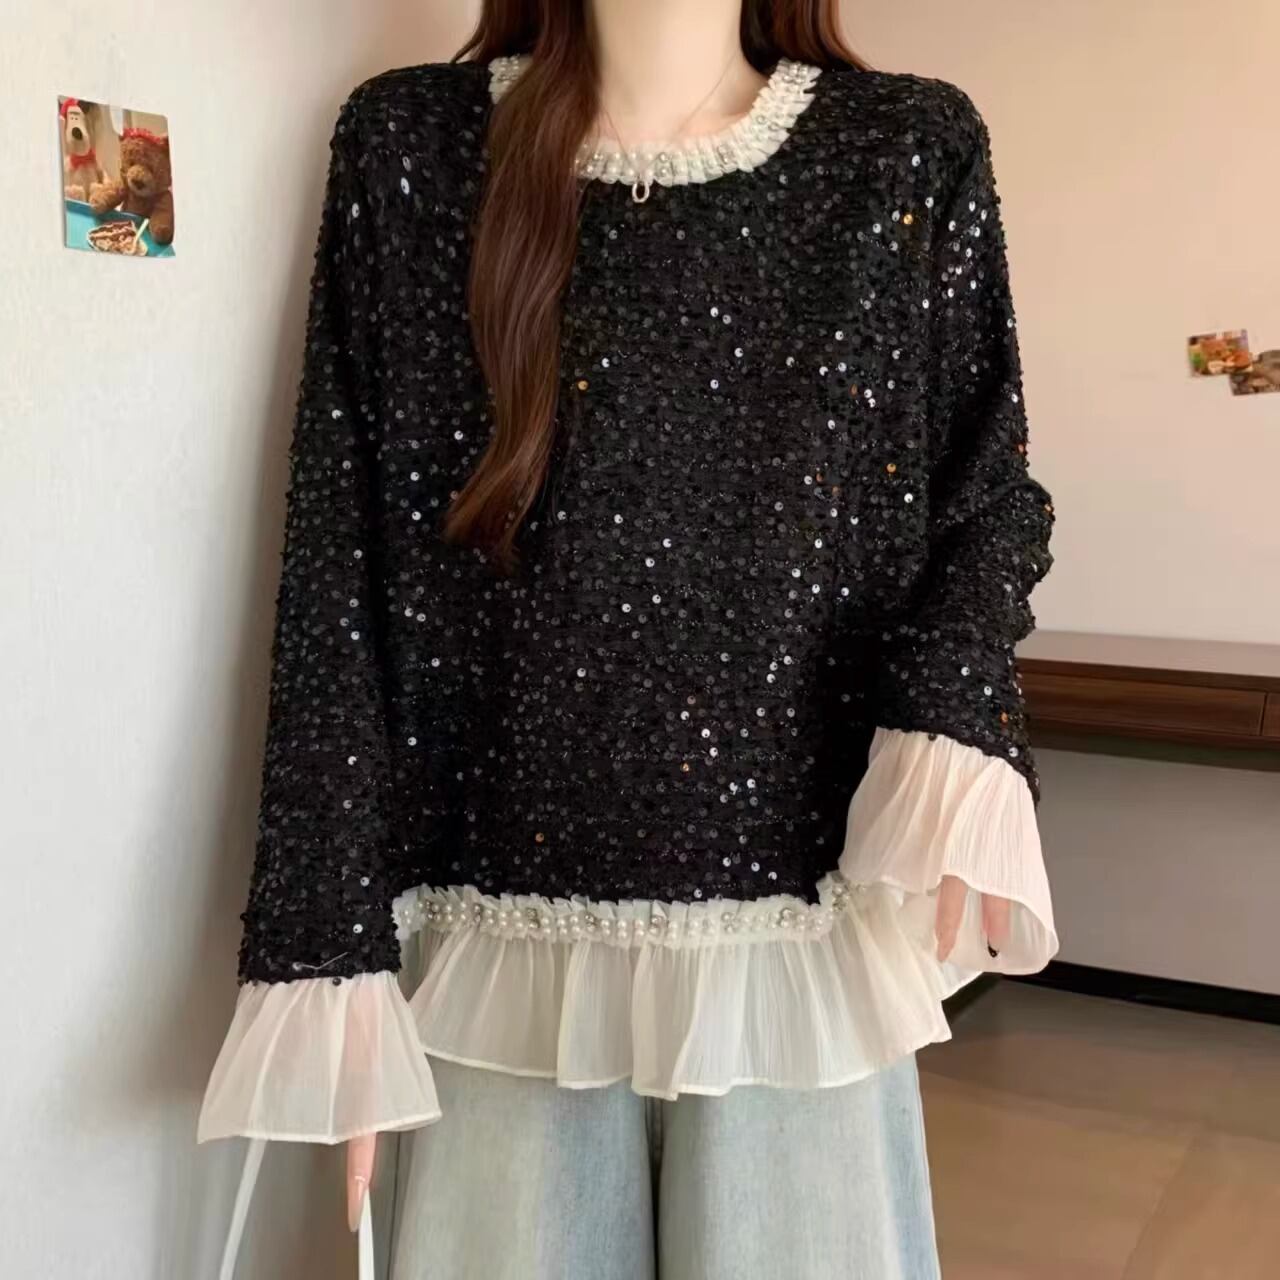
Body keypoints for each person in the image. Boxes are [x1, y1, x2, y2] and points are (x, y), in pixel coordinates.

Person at [199, 1, 1059, 1276]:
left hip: (800, 942)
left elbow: (984, 495)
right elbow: (340, 556)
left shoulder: (902, 151)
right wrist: (325, 942)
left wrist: (948, 722)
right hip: (494, 948)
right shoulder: (410, 145)